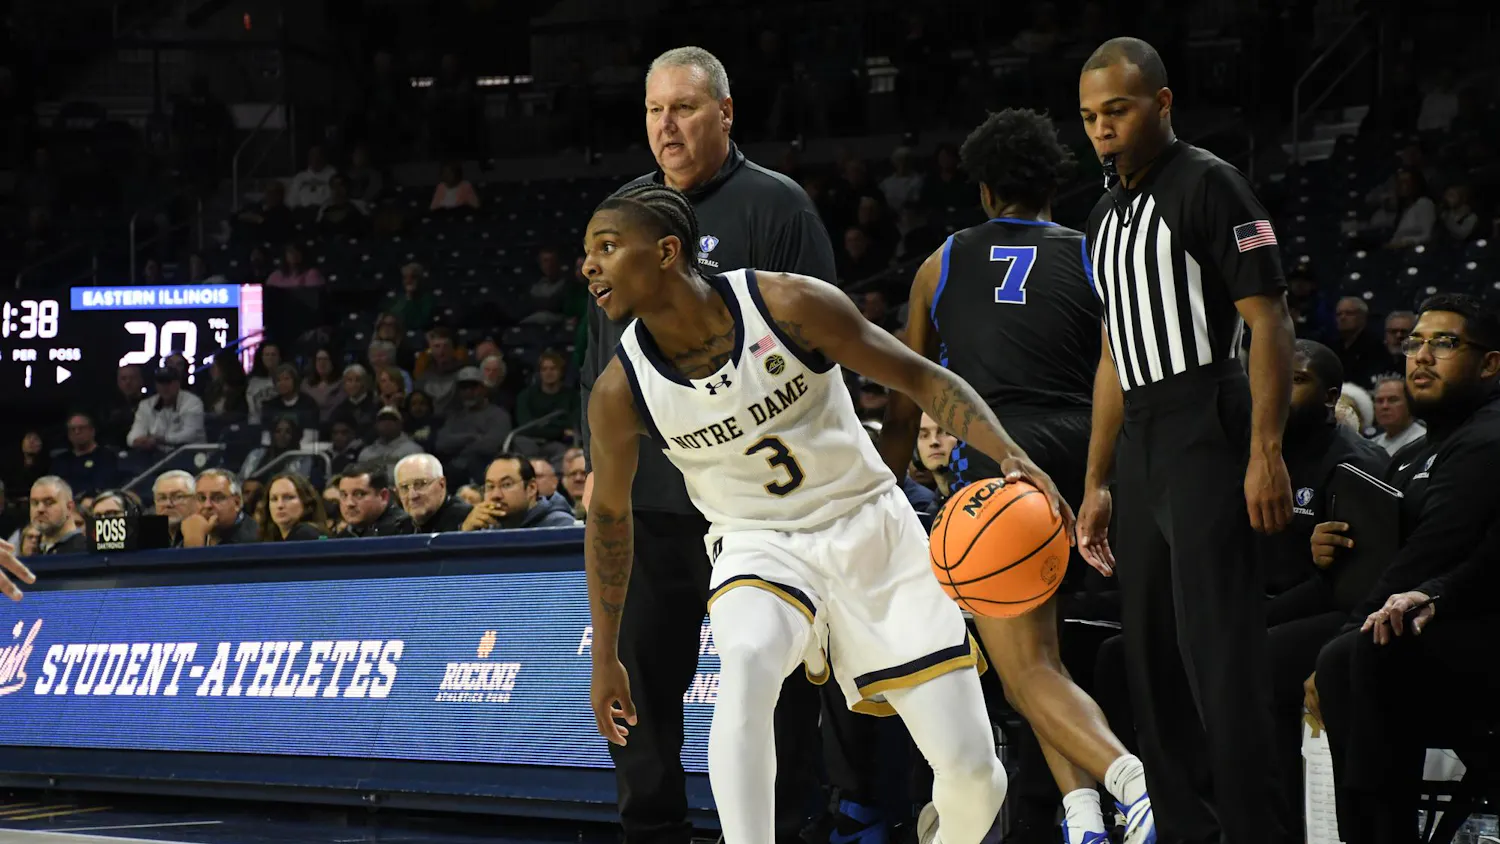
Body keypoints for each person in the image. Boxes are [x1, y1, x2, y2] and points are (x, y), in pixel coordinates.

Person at [580, 183, 1072, 844]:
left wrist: (1010, 453)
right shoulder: (619, 391)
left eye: (607, 247)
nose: (589, 266)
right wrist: (605, 654)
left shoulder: (787, 304)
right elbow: (609, 519)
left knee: (977, 778)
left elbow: (919, 377)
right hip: (757, 541)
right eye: (588, 252)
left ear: (667, 252)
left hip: (870, 526)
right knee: (747, 659)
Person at [577, 47, 838, 844]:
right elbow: (599, 361)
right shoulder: (623, 216)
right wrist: (597, 468)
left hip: (751, 510)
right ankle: (651, 833)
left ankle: (780, 833)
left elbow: (821, 351)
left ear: (725, 113)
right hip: (650, 506)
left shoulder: (778, 207)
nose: (668, 126)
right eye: (655, 111)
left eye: (684, 108)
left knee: (776, 691)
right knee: (642, 697)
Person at [879, 108, 1150, 844]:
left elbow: (908, 396)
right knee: (1047, 665)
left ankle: (1132, 783)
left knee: (1027, 669)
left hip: (998, 463)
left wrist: (888, 487)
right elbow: (1119, 369)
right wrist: (1100, 477)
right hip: (1085, 452)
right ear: (1052, 186)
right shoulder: (1094, 253)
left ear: (984, 190)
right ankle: (1083, 817)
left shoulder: (941, 262)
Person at [1076, 38, 1294, 843]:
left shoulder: (1210, 183)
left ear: (1162, 104)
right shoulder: (1101, 217)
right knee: (1152, 662)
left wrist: (1265, 451)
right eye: (1090, 117)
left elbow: (1270, 320)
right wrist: (1097, 481)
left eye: (1118, 110)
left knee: (1220, 659)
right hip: (1140, 435)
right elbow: (1112, 355)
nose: (1103, 129)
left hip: (1207, 417)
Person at [1308, 294, 1500, 841]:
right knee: (1262, 648)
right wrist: (1327, 552)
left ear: (1490, 363)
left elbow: (1429, 556)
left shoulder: (1487, 438)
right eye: (1415, 342)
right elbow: (1380, 553)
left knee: (1352, 654)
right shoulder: (1417, 452)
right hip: (1414, 611)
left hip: (1471, 624)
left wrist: (1345, 632)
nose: (1422, 355)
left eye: (1445, 343)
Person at [460, 453, 577, 531]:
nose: (496, 495)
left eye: (506, 485)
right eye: (490, 486)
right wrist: (464, 534)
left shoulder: (561, 526)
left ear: (531, 488)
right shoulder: (484, 527)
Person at [394, 453, 471, 533]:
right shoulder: (399, 528)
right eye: (404, 487)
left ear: (441, 484)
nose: (412, 496)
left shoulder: (467, 520)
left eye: (421, 484)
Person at [333, 463, 412, 538]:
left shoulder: (406, 530)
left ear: (383, 496)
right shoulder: (342, 537)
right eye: (344, 495)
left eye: (359, 494)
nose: (349, 503)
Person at [257, 473, 330, 541]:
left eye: (288, 497)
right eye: (274, 499)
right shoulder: (275, 537)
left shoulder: (305, 533)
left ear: (306, 501)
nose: (280, 505)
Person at [1369, 375, 1426, 455]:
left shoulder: (1424, 441)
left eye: (1392, 400)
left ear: (1410, 403)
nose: (1384, 406)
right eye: (1379, 401)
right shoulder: (1372, 444)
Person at [30, 476, 88, 554]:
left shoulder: (85, 551)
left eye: (49, 502)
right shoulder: (33, 552)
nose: (40, 509)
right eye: (35, 503)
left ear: (69, 508)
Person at [151, 469, 198, 547]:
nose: (168, 504)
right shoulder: (148, 532)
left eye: (178, 497)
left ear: (195, 499)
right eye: (162, 498)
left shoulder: (207, 533)